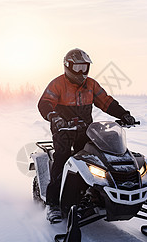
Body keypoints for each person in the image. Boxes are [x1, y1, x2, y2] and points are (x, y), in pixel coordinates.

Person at [38, 48, 136, 223]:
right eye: (78, 68)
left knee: (97, 158)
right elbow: (44, 103)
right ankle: (53, 204)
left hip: (86, 130)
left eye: (85, 67)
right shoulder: (58, 84)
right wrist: (54, 117)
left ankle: (97, 193)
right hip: (64, 131)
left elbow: (106, 102)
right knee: (62, 158)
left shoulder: (91, 84)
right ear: (68, 67)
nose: (82, 72)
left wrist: (123, 114)